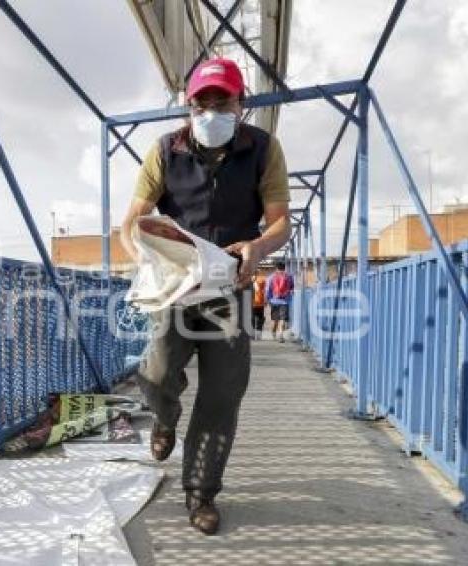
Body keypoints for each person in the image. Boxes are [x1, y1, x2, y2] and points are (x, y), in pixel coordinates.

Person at [120, 57, 291, 535]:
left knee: (221, 394)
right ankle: (164, 417)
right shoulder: (163, 151)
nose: (211, 110)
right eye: (202, 102)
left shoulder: (262, 149)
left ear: (242, 104)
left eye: (223, 101)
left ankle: (200, 492)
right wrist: (143, 258)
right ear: (188, 105)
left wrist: (258, 246)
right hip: (177, 285)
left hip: (229, 288)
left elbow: (280, 222)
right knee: (155, 372)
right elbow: (131, 221)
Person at [266, 261, 294, 342]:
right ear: (284, 267)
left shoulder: (271, 277)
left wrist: (267, 299)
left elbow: (268, 289)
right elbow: (292, 287)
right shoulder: (289, 276)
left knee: (275, 320)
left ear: (276, 268)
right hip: (285, 301)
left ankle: (274, 334)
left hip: (274, 301)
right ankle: (281, 335)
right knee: (283, 319)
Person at [252, 273, 267, 339]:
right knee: (259, 319)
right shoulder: (262, 279)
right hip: (259, 303)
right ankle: (258, 335)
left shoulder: (261, 280)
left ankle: (253, 335)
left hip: (255, 303)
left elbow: (264, 290)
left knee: (253, 319)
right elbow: (265, 291)